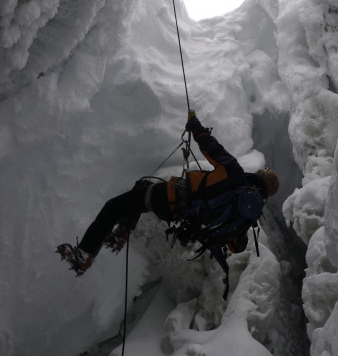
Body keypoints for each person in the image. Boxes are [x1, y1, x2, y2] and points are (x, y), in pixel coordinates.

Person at [57, 111, 279, 276]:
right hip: (180, 217)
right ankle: (122, 232)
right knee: (141, 189)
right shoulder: (248, 216)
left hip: (170, 197)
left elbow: (210, 147)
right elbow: (235, 246)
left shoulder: (235, 173)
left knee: (113, 207)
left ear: (259, 174)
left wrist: (195, 125)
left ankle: (84, 256)